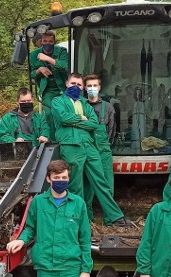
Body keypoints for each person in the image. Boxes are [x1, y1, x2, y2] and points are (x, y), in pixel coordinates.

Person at [51, 73, 132, 227]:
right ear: (67, 84)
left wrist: (73, 121)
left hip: (89, 145)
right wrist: (81, 119)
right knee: (76, 185)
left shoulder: (85, 104)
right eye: (73, 83)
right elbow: (62, 118)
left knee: (101, 182)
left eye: (79, 85)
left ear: (82, 88)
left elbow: (93, 124)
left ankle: (115, 217)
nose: (76, 87)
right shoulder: (58, 101)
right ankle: (81, 220)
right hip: (71, 145)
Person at [83, 74, 116, 219]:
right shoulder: (80, 106)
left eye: (94, 86)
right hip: (86, 151)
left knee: (107, 185)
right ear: (85, 88)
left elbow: (112, 131)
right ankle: (87, 218)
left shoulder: (108, 107)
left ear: (100, 87)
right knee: (87, 186)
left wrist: (104, 146)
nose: (92, 89)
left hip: (103, 151)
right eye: (89, 86)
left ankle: (110, 217)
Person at [29, 30, 69, 129]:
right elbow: (31, 74)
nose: (47, 44)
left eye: (50, 42)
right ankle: (52, 140)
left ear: (54, 42)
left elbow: (65, 66)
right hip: (48, 90)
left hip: (64, 88)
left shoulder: (61, 51)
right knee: (49, 114)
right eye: (45, 41)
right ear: (41, 42)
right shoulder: (33, 55)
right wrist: (39, 70)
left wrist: (48, 59)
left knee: (65, 113)